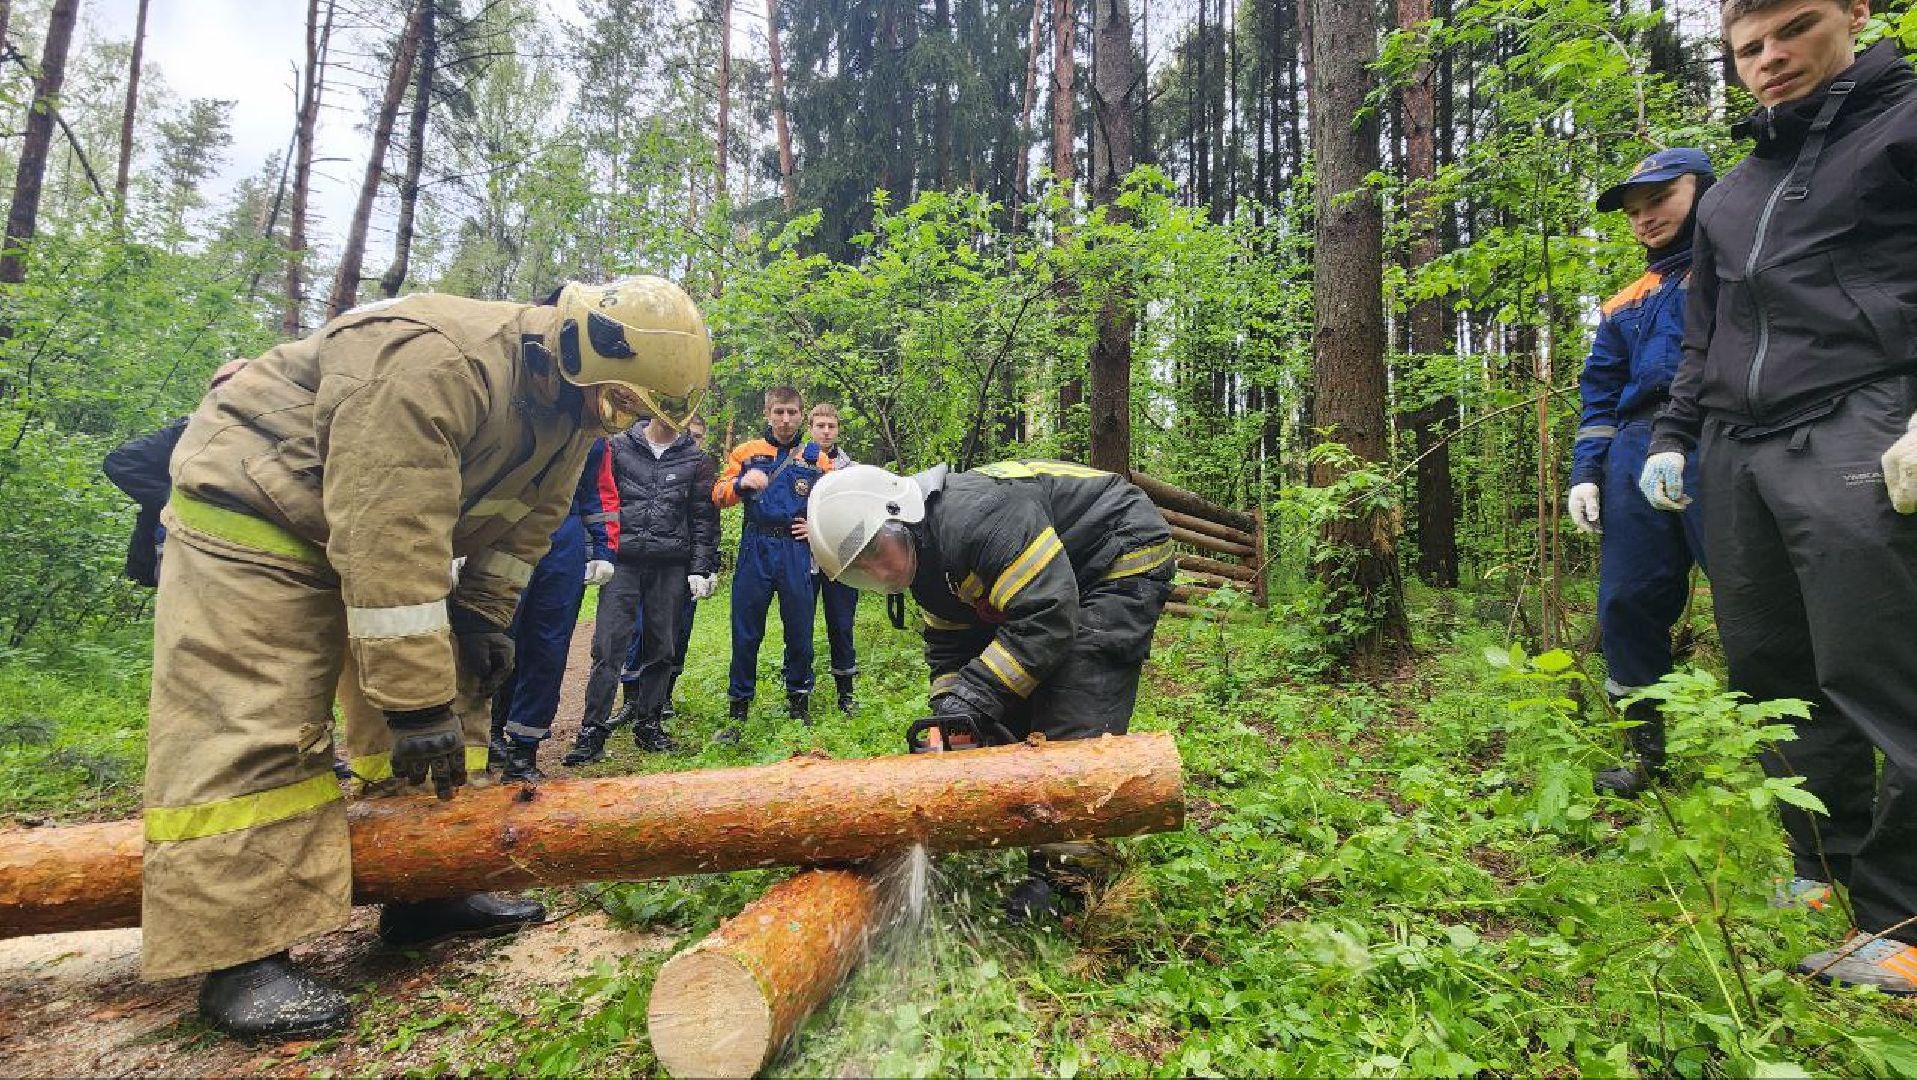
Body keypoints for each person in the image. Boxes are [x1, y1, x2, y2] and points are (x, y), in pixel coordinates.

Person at [144, 276, 710, 1040]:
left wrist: (478, 619)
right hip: (260, 518)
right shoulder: (433, 361)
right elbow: (387, 528)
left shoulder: (570, 402)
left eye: (628, 414)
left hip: (374, 540)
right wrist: (413, 701)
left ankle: (428, 887)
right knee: (255, 720)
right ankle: (241, 956)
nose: (610, 424)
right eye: (615, 405)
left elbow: (526, 526)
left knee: (458, 695)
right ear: (575, 347)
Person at [1642, 0, 1917, 994]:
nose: (1770, 59)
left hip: (1862, 419)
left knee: (1883, 667)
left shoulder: (1904, 125)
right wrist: (1675, 438)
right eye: (1748, 47)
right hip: (1735, 450)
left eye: (1793, 29)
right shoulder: (1732, 192)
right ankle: (1820, 867)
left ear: (1856, 13)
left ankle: (1906, 917)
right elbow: (1704, 336)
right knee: (1775, 672)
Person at [806, 460, 1175, 921]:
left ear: (900, 514)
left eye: (878, 551)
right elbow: (950, 650)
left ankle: (1069, 876)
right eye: (863, 569)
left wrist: (976, 697)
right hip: (1053, 580)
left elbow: (1049, 616)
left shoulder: (975, 520)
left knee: (1074, 697)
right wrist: (951, 715)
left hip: (1113, 551)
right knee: (1002, 706)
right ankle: (1017, 818)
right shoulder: (926, 566)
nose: (880, 572)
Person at [1567, 148, 1715, 798]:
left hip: (1721, 437)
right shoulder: (1623, 303)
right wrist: (1586, 473)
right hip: (1633, 449)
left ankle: (1794, 767)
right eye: (1632, 211)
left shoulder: (1734, 268)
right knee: (1626, 600)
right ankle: (1648, 756)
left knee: (1752, 601)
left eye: (1658, 199)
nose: (1644, 218)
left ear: (1700, 189)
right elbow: (1599, 394)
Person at [564, 412, 719, 764]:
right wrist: (595, 551)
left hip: (670, 563)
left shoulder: (696, 460)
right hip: (623, 561)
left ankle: (649, 724)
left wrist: (701, 568)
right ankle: (592, 731)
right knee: (608, 646)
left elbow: (703, 519)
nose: (681, 418)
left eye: (688, 411)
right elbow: (599, 499)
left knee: (662, 646)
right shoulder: (618, 447)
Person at [486, 436, 621, 781]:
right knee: (493, 637)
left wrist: (604, 549)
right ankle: (484, 737)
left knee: (549, 646)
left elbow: (599, 492)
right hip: (502, 529)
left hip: (564, 536)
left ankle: (522, 752)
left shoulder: (592, 430)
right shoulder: (508, 408)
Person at [712, 387, 834, 738]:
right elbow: (717, 495)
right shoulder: (747, 452)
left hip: (795, 549)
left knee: (800, 630)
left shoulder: (816, 458)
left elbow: (831, 504)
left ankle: (798, 703)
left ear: (801, 415)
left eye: (792, 413)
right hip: (756, 545)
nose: (785, 419)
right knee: (746, 628)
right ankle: (738, 710)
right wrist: (740, 483)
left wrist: (816, 526)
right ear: (767, 412)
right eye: (778, 412)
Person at [101, 359, 248, 587]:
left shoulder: (272, 435)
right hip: (178, 549)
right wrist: (175, 496)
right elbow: (121, 462)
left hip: (238, 554)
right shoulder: (186, 432)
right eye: (220, 387)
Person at [618, 415, 711, 718]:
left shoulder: (701, 466)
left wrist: (703, 566)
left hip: (681, 563)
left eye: (700, 436)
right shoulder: (633, 452)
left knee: (674, 633)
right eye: (690, 434)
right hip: (642, 559)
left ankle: (661, 699)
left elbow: (704, 521)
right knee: (636, 631)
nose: (694, 441)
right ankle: (631, 698)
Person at [807, 404, 860, 713]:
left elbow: (860, 515)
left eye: (831, 426)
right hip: (804, 559)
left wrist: (850, 554)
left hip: (841, 562)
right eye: (820, 425)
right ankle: (799, 693)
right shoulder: (797, 462)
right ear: (810, 429)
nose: (826, 431)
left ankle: (846, 695)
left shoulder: (851, 469)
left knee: (841, 626)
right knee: (800, 627)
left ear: (838, 429)